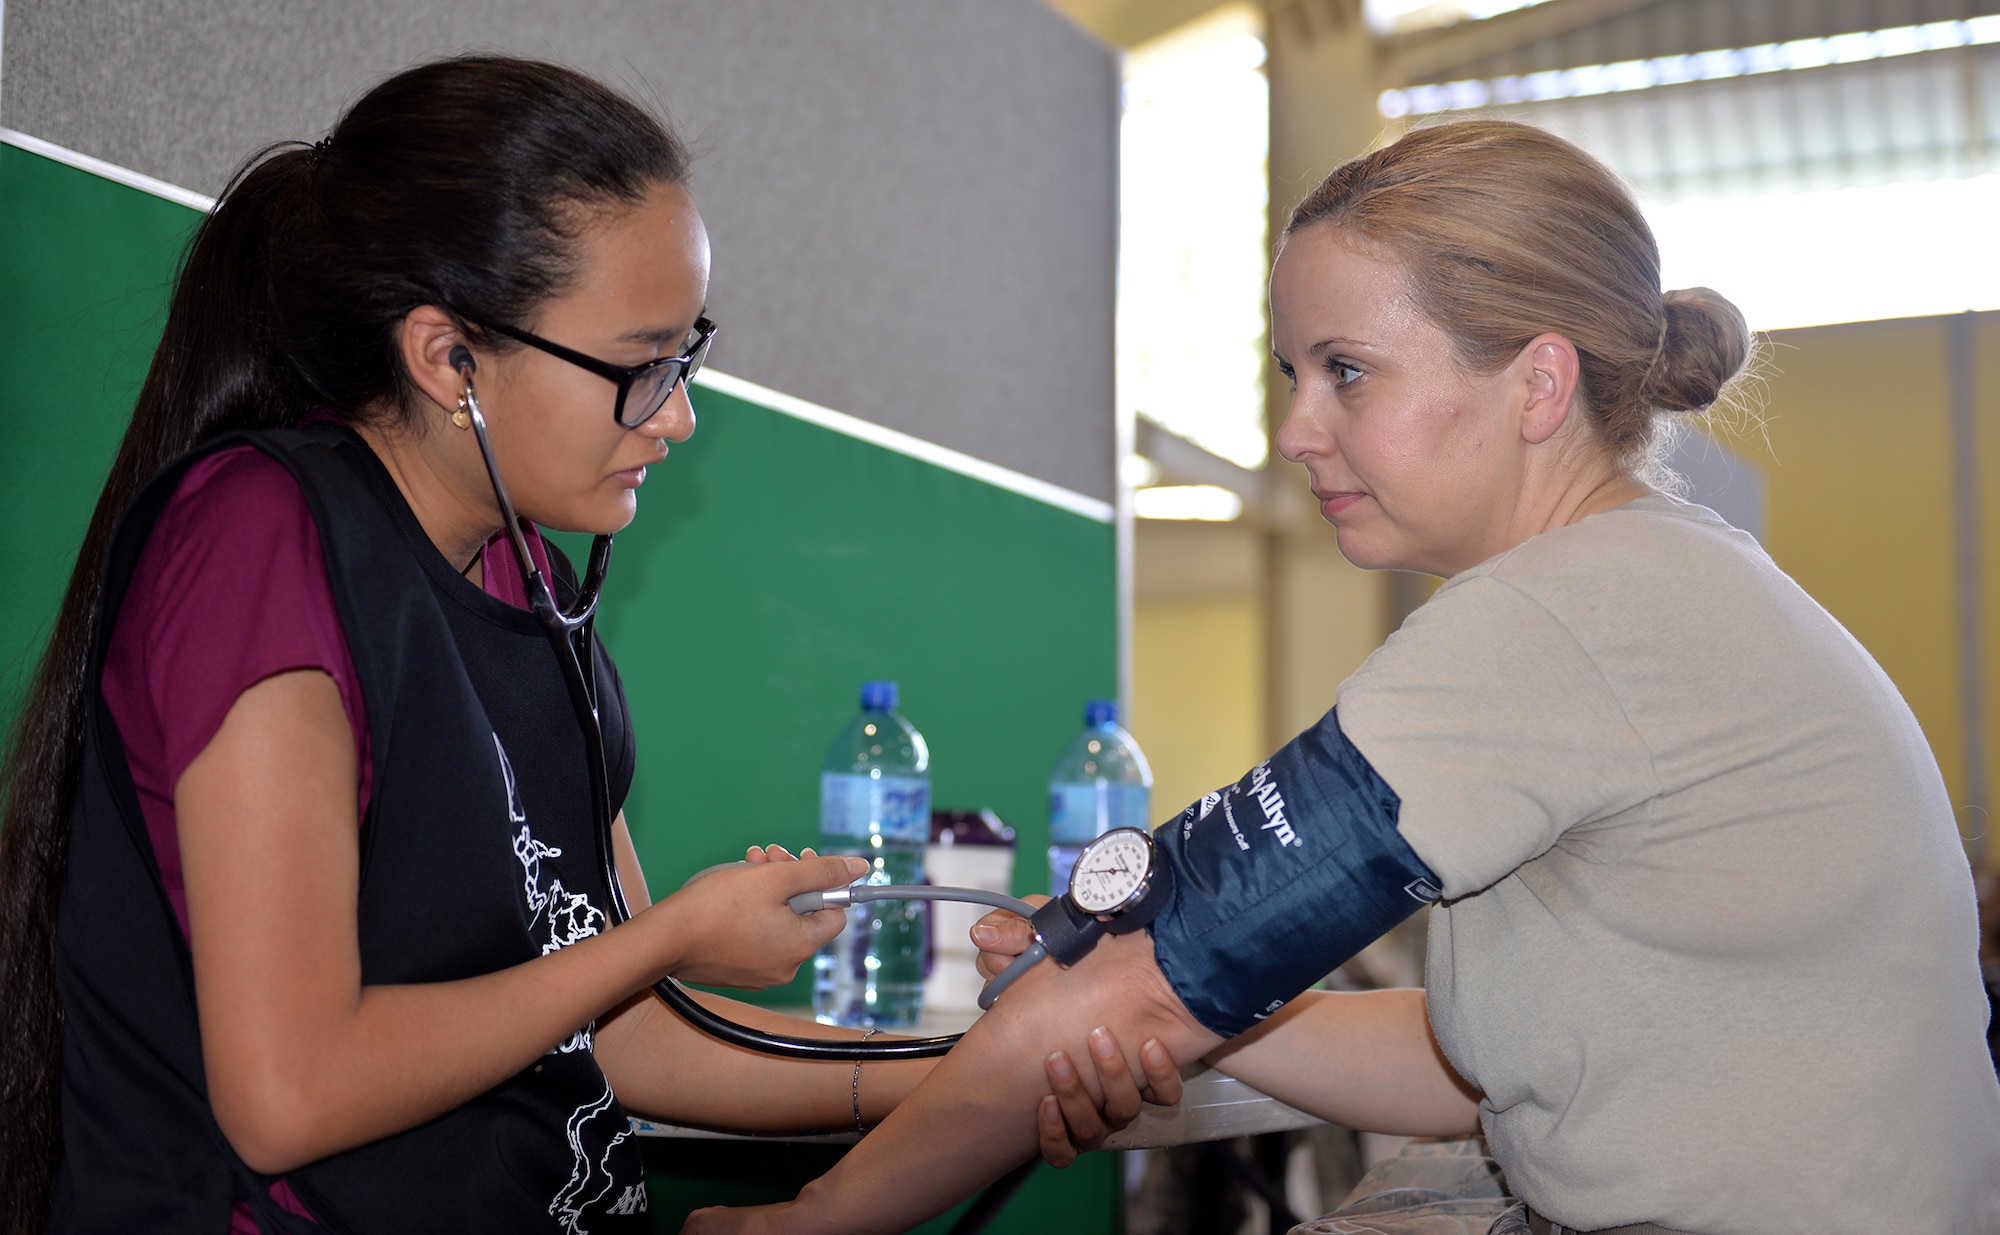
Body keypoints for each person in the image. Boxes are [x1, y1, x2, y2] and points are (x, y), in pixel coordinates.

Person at [685, 120, 2000, 1235]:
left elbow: (1119, 979)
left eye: (1348, 373)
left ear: (1539, 382)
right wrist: (1193, 1001)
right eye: (1293, 373)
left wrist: (801, 1220)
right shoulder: (1659, 578)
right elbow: (1500, 1063)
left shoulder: (1552, 619)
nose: (1296, 429)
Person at [0, 56, 1168, 1235]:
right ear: (448, 356)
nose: (676, 413)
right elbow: (289, 1093)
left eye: (686, 353)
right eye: (638, 364)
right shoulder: (264, 540)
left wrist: (1000, 1056)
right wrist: (666, 936)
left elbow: (640, 1033)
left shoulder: (529, 580)